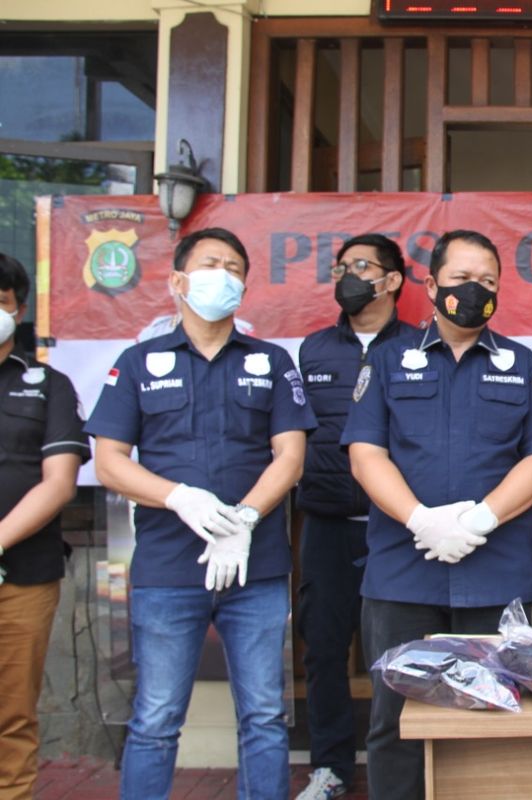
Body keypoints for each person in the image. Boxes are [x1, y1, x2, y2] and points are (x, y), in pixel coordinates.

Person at [85, 227, 317, 800]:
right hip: (167, 566)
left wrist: (245, 519)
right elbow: (110, 462)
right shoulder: (139, 362)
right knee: (157, 718)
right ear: (178, 282)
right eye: (212, 263)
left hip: (255, 567)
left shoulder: (271, 361)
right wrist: (179, 497)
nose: (225, 274)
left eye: (235, 266)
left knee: (263, 717)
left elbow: (290, 456)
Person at [341, 229, 532, 800]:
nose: (475, 290)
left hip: (495, 576)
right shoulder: (389, 360)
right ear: (431, 282)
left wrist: (480, 521)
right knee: (395, 722)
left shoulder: (520, 363)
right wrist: (421, 519)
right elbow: (366, 454)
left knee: (491, 717)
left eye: (487, 281)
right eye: (463, 279)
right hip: (402, 573)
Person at [294, 234, 413, 800]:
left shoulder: (419, 347)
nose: (348, 276)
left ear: (392, 280)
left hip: (398, 528)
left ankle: (410, 760)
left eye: (361, 267)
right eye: (343, 267)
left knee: (403, 650)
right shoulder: (312, 350)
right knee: (323, 647)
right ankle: (332, 766)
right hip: (327, 523)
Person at [0, 253, 90, 799]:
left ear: (19, 309)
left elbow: (58, 483)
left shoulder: (48, 385)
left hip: (23, 576)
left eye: (1, 301)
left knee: (11, 714)